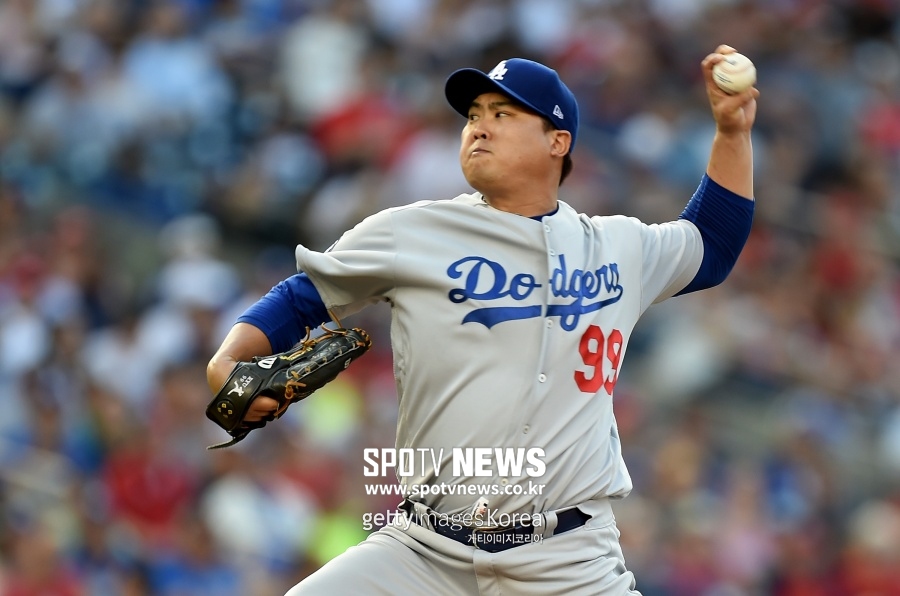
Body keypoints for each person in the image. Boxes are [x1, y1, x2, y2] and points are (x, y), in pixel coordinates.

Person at [206, 45, 758, 595]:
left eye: (503, 114)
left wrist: (732, 134)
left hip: (567, 560)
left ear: (557, 141)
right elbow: (301, 298)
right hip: (424, 551)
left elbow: (711, 243)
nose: (479, 127)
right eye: (473, 115)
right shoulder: (411, 231)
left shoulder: (618, 246)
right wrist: (227, 360)